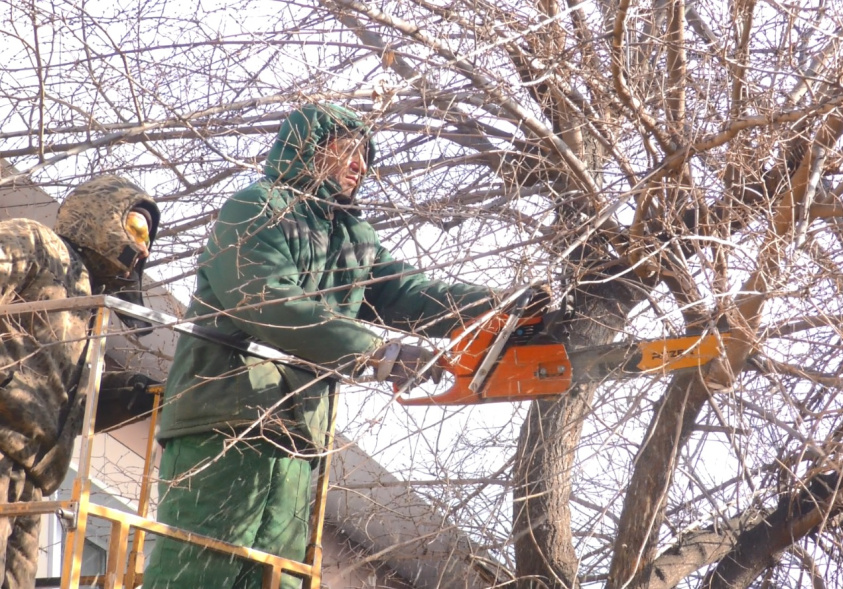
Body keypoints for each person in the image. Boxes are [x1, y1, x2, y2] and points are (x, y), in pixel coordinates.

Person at [144, 102, 518, 589]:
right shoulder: (255, 208)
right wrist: (372, 352)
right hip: (224, 419)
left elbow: (402, 291)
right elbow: (266, 300)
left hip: (297, 436)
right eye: (348, 150)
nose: (360, 165)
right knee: (200, 571)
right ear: (307, 150)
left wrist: (496, 306)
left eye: (366, 155)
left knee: (279, 576)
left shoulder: (349, 236)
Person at [0, 175, 160, 588]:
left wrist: (127, 399)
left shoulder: (93, 314)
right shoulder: (37, 244)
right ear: (102, 214)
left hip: (32, 484)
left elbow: (63, 410)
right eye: (136, 228)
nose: (141, 247)